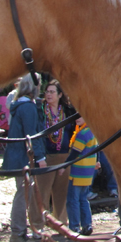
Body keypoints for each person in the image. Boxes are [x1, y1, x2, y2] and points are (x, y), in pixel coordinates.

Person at [1, 74, 47, 242]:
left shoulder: (22, 104)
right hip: (23, 158)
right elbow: (32, 135)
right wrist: (40, 157)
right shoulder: (27, 106)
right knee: (23, 194)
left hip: (19, 156)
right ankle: (18, 233)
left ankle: (23, 231)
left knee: (24, 193)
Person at [32, 80, 75, 226]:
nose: (49, 95)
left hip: (64, 156)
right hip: (46, 157)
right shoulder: (40, 110)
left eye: (52, 92)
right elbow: (36, 133)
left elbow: (74, 132)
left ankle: (61, 224)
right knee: (42, 192)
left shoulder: (68, 110)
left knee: (61, 193)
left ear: (60, 94)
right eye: (47, 92)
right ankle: (37, 224)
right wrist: (39, 157)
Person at [65, 117, 98, 236]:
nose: (76, 119)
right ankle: (87, 224)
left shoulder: (82, 134)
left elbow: (74, 153)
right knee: (83, 199)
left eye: (80, 116)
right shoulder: (92, 132)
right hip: (88, 172)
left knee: (73, 200)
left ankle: (74, 227)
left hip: (78, 172)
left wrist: (63, 166)